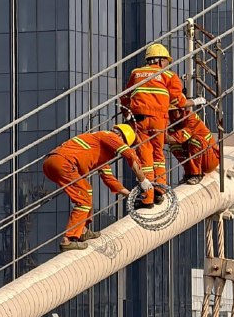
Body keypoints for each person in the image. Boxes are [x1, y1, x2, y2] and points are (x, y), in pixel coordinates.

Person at [120, 43, 206, 208]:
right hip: (159, 120)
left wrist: (128, 116)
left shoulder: (136, 73)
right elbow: (178, 101)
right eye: (166, 61)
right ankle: (160, 190)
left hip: (140, 120)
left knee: (145, 157)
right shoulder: (169, 76)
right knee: (158, 155)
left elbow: (125, 98)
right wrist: (194, 101)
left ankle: (148, 197)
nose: (167, 64)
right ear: (160, 61)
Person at [42, 124, 152, 251]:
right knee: (83, 200)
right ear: (121, 137)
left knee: (86, 190)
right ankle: (69, 239)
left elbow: (109, 178)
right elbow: (130, 155)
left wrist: (130, 194)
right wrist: (143, 180)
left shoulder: (99, 149)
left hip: (53, 163)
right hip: (63, 163)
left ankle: (82, 230)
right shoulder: (110, 136)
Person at [166, 104, 220, 184]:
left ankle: (196, 174)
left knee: (194, 142)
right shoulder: (175, 123)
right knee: (174, 146)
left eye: (171, 112)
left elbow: (175, 138)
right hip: (202, 155)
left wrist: (155, 135)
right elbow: (169, 139)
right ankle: (189, 173)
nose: (169, 114)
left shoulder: (191, 118)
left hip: (210, 158)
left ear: (180, 110)